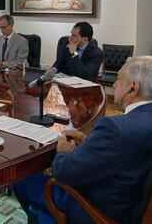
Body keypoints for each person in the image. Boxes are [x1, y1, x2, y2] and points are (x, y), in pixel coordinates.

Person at [13, 56, 152, 224]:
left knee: (22, 179)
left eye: (119, 80)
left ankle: (47, 217)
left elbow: (63, 172)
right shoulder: (138, 123)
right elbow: (127, 154)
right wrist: (90, 143)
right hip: (129, 202)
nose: (114, 84)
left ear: (134, 87)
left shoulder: (114, 128)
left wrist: (62, 152)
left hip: (95, 208)